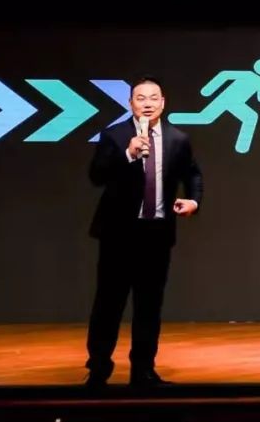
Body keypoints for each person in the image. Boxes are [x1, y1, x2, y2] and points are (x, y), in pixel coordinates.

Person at [84, 75, 203, 389]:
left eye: (153, 98)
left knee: (149, 306)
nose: (147, 103)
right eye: (140, 98)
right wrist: (128, 154)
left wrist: (193, 200)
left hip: (157, 235)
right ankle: (98, 369)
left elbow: (193, 174)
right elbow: (96, 176)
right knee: (108, 304)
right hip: (118, 235)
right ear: (130, 103)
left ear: (163, 103)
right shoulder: (114, 136)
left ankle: (144, 371)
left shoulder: (178, 138)